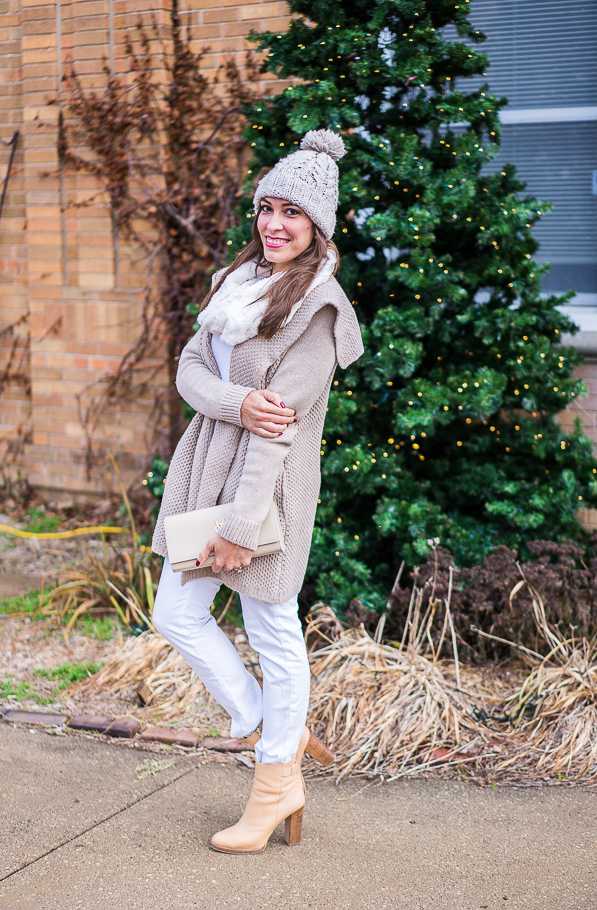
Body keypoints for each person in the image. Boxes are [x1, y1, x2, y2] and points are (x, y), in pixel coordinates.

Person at [151, 128, 363, 854]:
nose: (274, 224)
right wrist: (234, 402)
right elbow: (186, 369)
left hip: (262, 490)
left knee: (272, 628)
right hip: (207, 464)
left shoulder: (319, 309)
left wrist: (242, 528)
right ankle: (273, 726)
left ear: (317, 227)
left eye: (292, 214)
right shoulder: (232, 284)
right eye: (267, 208)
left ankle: (276, 784)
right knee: (174, 610)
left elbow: (279, 430)